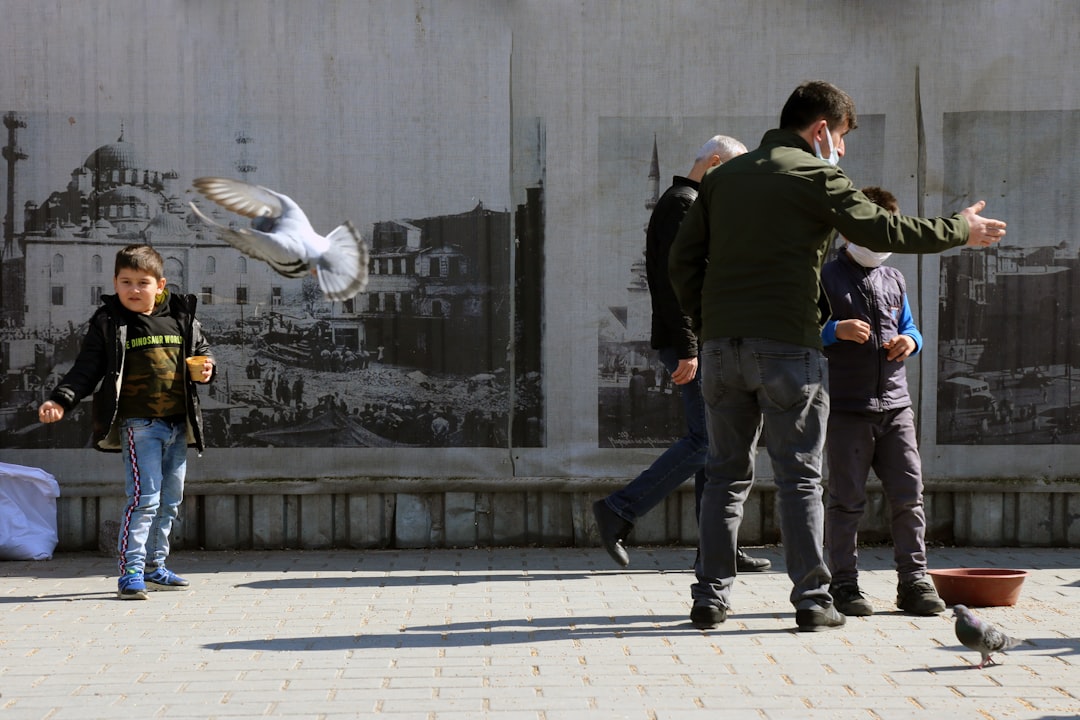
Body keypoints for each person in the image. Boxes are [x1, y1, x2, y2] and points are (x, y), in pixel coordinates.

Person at [668, 80, 1006, 631]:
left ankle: (709, 596)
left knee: (725, 474)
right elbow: (881, 227)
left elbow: (683, 260)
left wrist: (709, 327)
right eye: (843, 135)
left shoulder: (724, 178)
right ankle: (812, 600)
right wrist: (958, 230)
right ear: (821, 129)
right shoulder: (816, 175)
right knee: (799, 477)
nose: (843, 149)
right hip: (787, 350)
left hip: (723, 349)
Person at [593, 135, 770, 574]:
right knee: (708, 441)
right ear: (714, 163)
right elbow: (678, 285)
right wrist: (689, 349)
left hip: (698, 340)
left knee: (713, 445)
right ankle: (619, 509)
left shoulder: (684, 201)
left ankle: (715, 549)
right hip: (691, 342)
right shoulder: (683, 204)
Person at [38, 244, 215, 600]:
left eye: (142, 282)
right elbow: (86, 369)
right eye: (125, 282)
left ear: (160, 285)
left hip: (179, 425)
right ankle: (131, 571)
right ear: (115, 283)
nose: (134, 290)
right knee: (144, 498)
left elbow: (203, 352)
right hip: (139, 426)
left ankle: (156, 566)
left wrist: (208, 368)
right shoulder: (110, 322)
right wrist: (61, 400)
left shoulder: (182, 316)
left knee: (170, 500)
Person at [820, 186, 945, 617]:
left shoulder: (894, 278)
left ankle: (914, 582)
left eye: (887, 238)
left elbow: (912, 327)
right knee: (846, 500)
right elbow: (801, 330)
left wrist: (909, 341)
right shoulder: (824, 274)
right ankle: (843, 585)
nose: (880, 248)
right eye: (872, 236)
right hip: (846, 407)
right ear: (849, 232)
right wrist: (834, 331)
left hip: (896, 406)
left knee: (909, 496)